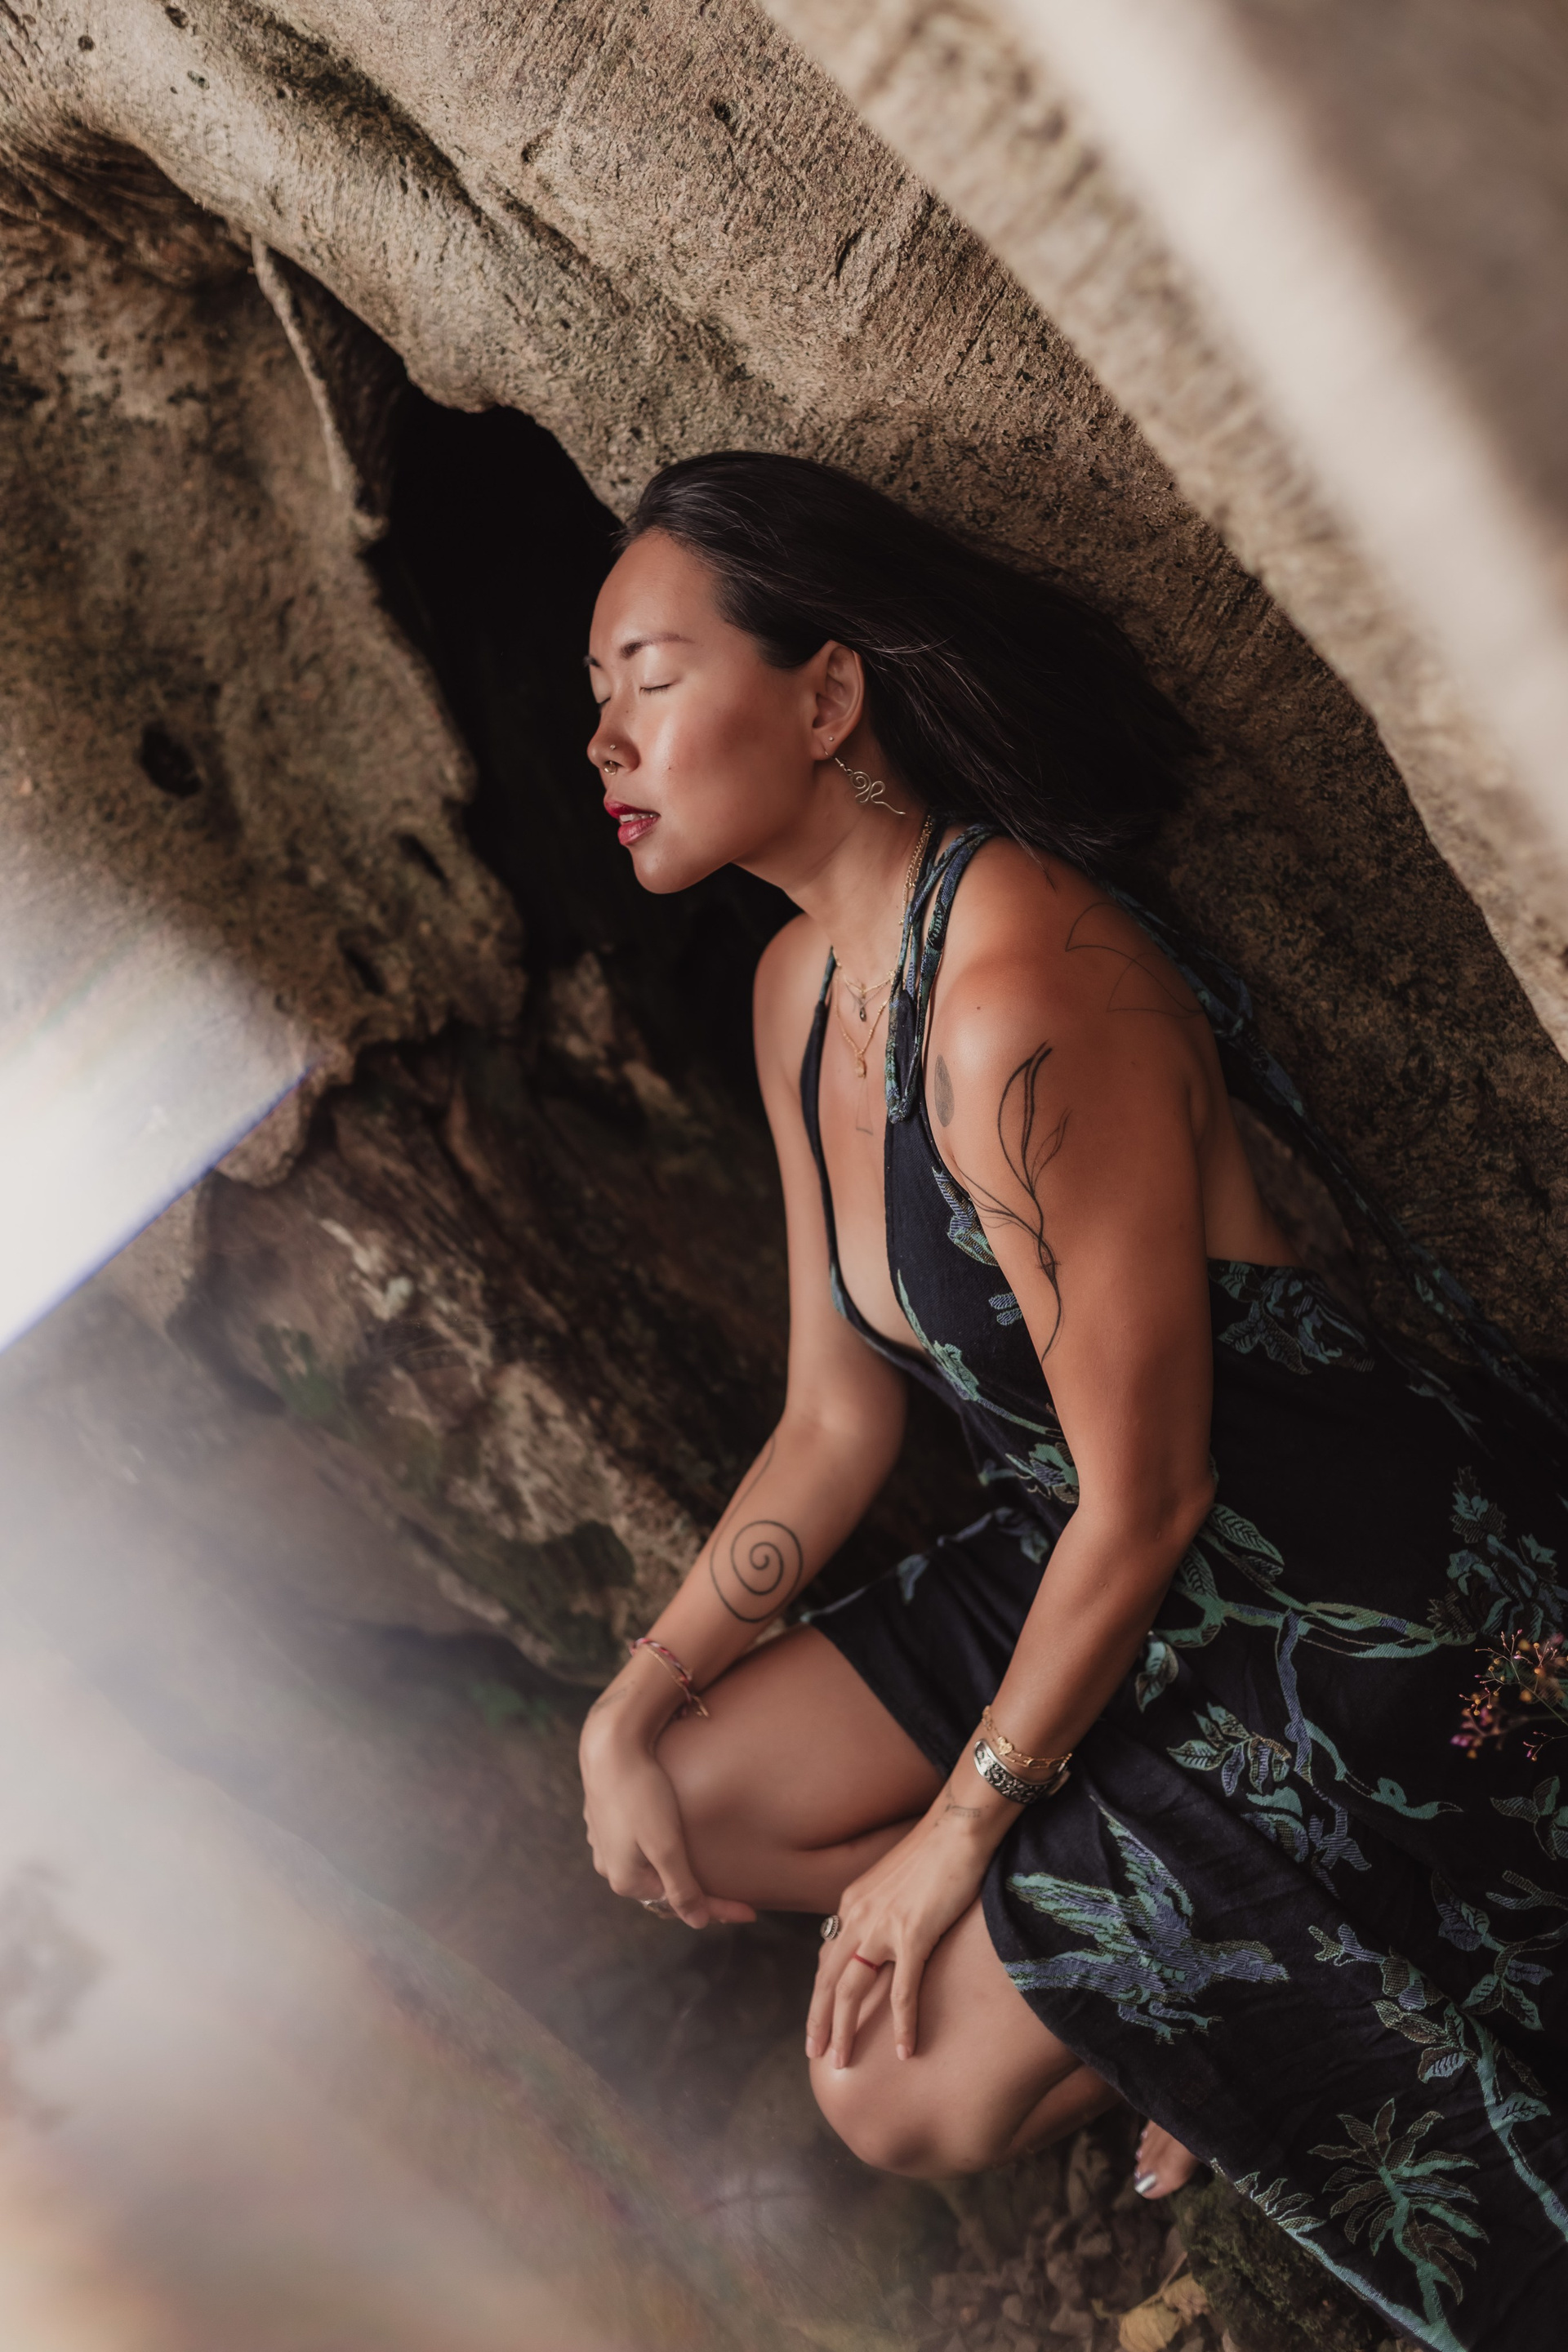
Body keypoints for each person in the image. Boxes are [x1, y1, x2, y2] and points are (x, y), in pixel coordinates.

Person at [576, 452, 1568, 2351]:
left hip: (1334, 1605)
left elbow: (1158, 1492)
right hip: (1086, 1552)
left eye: (650, 676)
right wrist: (632, 1700)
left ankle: (1246, 1978)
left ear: (827, 695)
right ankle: (1199, 1984)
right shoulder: (797, 993)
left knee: (890, 2089)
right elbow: (836, 1419)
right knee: (690, 1802)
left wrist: (954, 1841)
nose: (606, 741)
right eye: (593, 697)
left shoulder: (1019, 986)